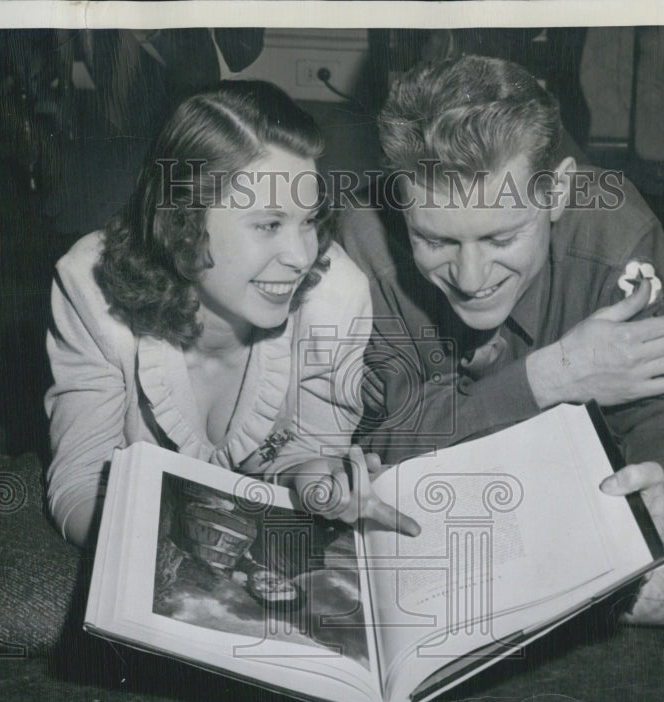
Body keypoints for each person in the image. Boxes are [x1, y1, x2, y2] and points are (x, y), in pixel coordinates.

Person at [337, 55, 664, 634]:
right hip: (443, 466)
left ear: (557, 192)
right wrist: (553, 374)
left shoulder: (618, 236)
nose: (471, 278)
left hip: (583, 452)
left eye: (502, 236)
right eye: (434, 240)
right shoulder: (362, 243)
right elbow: (388, 444)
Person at [44, 79, 418, 549]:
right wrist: (141, 562)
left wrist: (318, 482)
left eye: (308, 222)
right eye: (268, 224)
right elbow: (80, 481)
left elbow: (307, 454)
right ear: (182, 220)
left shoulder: (336, 297)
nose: (301, 257)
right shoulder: (89, 286)